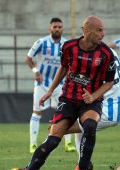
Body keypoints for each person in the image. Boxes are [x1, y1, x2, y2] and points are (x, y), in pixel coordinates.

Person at [15, 15, 116, 170]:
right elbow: (63, 68)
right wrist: (49, 91)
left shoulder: (106, 54)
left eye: (103, 30)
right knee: (53, 140)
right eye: (99, 30)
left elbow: (109, 82)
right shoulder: (69, 47)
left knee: (90, 126)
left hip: (90, 101)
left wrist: (93, 96)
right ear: (87, 31)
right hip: (68, 99)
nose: (103, 34)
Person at [11, 49, 120, 170]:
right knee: (81, 124)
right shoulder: (110, 51)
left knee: (55, 131)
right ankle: (83, 164)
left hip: (107, 111)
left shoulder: (93, 59)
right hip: (115, 109)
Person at [26, 17, 75, 154]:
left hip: (60, 85)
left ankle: (68, 143)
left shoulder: (66, 44)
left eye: (60, 27)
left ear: (62, 29)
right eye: (55, 27)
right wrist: (35, 71)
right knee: (37, 112)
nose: (57, 29)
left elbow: (71, 63)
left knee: (67, 112)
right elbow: (28, 58)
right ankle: (33, 144)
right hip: (42, 84)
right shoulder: (41, 43)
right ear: (50, 29)